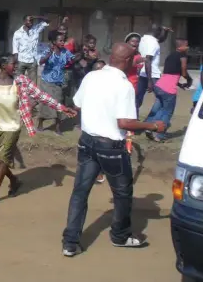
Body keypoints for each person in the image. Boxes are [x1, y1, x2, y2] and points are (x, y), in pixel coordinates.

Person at [61, 42, 166, 257]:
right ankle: (120, 236)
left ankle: (70, 243)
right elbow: (125, 123)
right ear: (127, 61)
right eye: (134, 59)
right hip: (111, 148)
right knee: (122, 194)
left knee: (80, 193)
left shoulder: (92, 76)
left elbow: (78, 103)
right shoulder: (124, 85)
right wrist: (154, 125)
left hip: (87, 142)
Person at [0, 54, 76, 207]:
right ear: (4, 65)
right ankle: (14, 180)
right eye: (14, 63)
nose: (17, 66)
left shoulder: (21, 81)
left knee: (4, 158)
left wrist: (61, 107)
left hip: (13, 126)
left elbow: (41, 96)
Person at [144, 38, 192, 142]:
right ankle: (159, 135)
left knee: (161, 109)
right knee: (167, 112)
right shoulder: (182, 55)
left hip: (159, 85)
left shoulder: (170, 55)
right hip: (169, 90)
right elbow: (183, 72)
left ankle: (150, 127)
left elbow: (170, 73)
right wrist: (189, 80)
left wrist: (179, 84)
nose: (188, 47)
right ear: (181, 46)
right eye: (186, 45)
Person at [37, 30, 79, 135]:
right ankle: (40, 124)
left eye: (63, 40)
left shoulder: (65, 51)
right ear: (54, 41)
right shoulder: (48, 50)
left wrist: (81, 54)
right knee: (45, 104)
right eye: (60, 40)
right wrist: (49, 54)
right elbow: (41, 61)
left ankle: (57, 128)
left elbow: (73, 59)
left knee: (59, 105)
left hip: (58, 83)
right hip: (46, 82)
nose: (62, 42)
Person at [136, 25, 172, 114]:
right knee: (164, 98)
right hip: (152, 75)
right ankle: (152, 120)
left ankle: (132, 121)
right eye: (160, 33)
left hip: (142, 73)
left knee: (137, 99)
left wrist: (165, 32)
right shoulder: (153, 43)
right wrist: (150, 81)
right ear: (157, 32)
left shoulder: (143, 39)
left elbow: (160, 39)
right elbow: (148, 60)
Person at [12, 15, 50, 82]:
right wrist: (15, 62)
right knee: (19, 81)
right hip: (21, 60)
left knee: (33, 83)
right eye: (29, 20)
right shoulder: (17, 33)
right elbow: (15, 48)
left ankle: (31, 93)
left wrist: (36, 17)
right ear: (24, 21)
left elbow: (47, 20)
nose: (31, 22)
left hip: (32, 61)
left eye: (32, 20)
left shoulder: (36, 29)